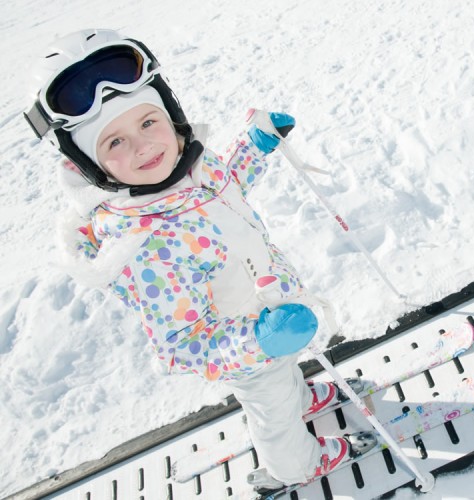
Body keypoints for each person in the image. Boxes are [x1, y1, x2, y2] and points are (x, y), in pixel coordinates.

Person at [23, 28, 364, 488]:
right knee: (273, 413)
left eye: (147, 123)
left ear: (172, 115)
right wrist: (261, 341)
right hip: (248, 349)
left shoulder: (194, 169)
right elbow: (185, 341)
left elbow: (230, 186)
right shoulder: (143, 246)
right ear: (89, 166)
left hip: (274, 309)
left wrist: (255, 146)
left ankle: (299, 397)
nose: (143, 146)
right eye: (114, 143)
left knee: (284, 386)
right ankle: (296, 466)